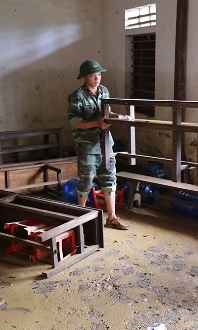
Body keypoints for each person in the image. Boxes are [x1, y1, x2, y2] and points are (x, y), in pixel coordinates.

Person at [68, 59, 129, 230]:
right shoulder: (77, 96)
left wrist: (120, 117)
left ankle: (112, 217)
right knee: (87, 180)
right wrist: (97, 123)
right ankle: (80, 216)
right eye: (93, 75)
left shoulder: (104, 91)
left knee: (109, 177)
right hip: (87, 146)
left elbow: (107, 113)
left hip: (105, 143)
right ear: (85, 77)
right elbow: (75, 122)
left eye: (99, 74)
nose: (97, 78)